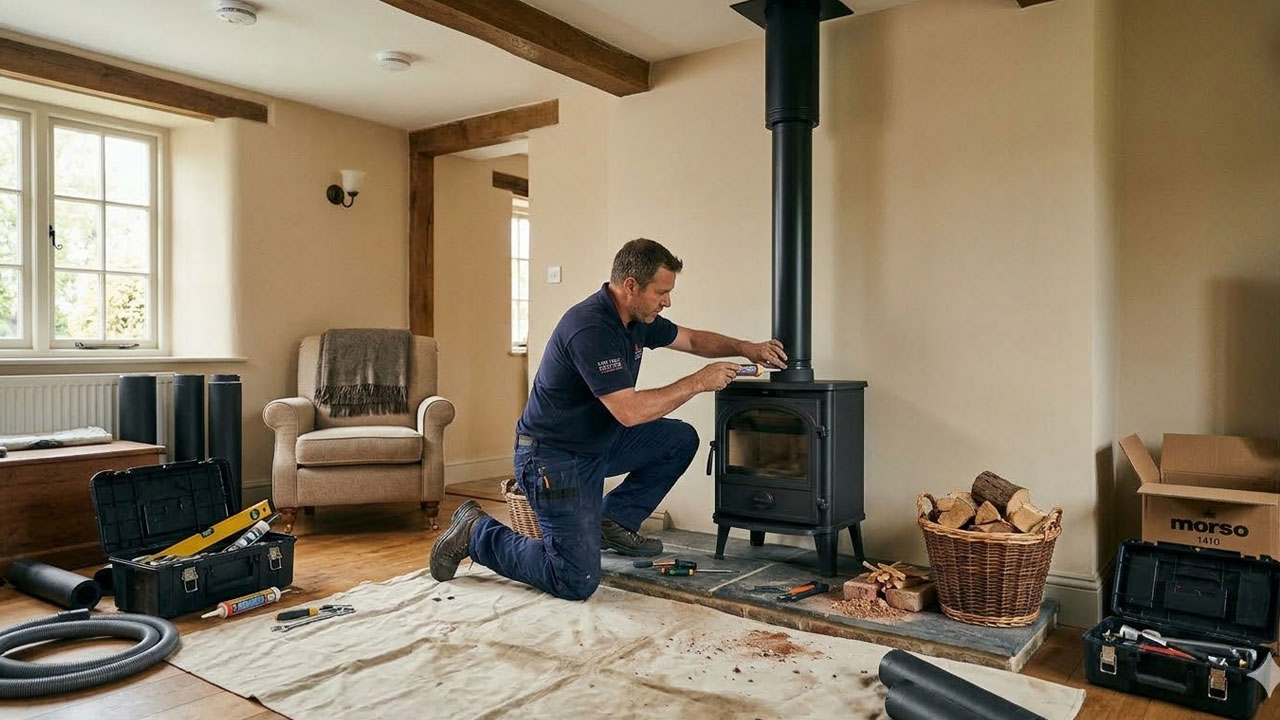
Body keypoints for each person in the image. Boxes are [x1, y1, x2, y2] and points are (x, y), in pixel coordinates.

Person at [430, 238, 786, 600]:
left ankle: (612, 520)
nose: (667, 301)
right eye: (661, 292)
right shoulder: (590, 327)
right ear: (630, 285)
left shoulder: (637, 318)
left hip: (599, 441)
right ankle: (476, 532)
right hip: (554, 459)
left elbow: (693, 340)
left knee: (679, 440)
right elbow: (629, 412)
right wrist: (699, 382)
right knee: (574, 579)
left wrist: (748, 348)